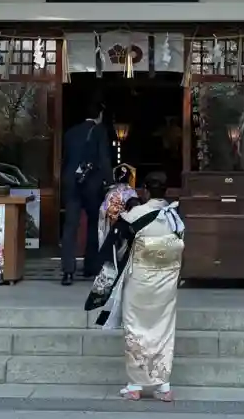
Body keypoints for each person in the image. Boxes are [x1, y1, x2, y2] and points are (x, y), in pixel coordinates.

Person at [103, 168, 185, 401]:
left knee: (136, 329)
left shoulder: (135, 214)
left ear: (145, 190)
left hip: (139, 280)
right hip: (166, 281)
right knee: (163, 330)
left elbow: (117, 246)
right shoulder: (174, 216)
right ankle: (163, 385)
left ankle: (135, 384)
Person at [59, 109, 112, 285]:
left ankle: (68, 271)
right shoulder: (100, 131)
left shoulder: (70, 133)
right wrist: (110, 182)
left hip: (72, 183)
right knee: (94, 223)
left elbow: (66, 160)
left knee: (70, 226)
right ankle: (90, 266)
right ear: (100, 114)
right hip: (92, 185)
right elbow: (104, 158)